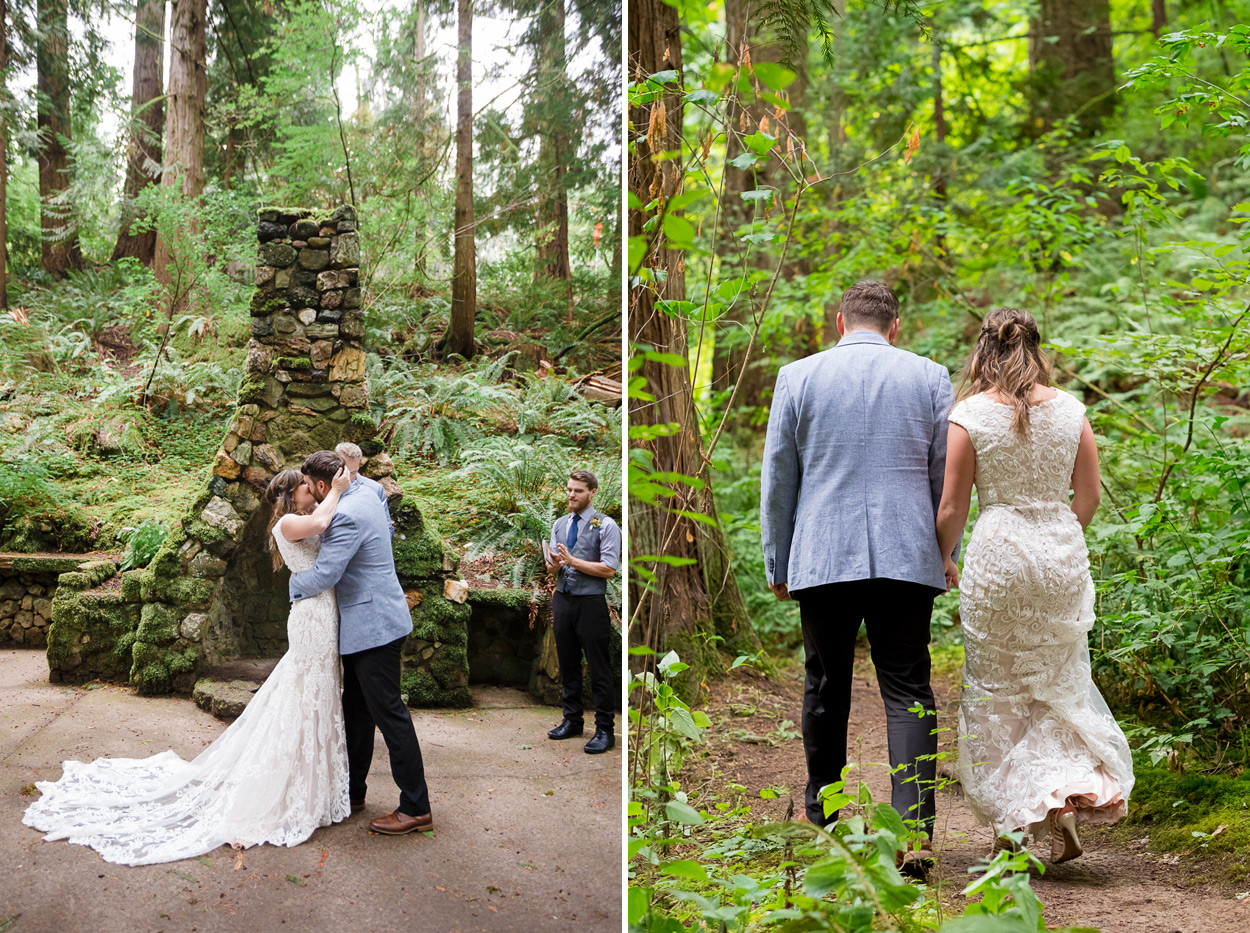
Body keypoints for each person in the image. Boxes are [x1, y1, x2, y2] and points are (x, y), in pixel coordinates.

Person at [23, 466, 354, 865]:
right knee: (306, 691)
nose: (310, 489)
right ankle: (288, 788)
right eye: (304, 485)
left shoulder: (304, 517)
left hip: (323, 611)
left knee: (316, 691)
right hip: (311, 617)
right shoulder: (288, 522)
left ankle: (312, 785)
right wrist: (337, 489)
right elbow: (321, 521)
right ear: (289, 495)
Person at [760, 280, 955, 870]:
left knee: (825, 684)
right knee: (908, 689)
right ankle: (914, 835)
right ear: (895, 327)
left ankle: (824, 821)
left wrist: (779, 559)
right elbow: (943, 475)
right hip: (907, 554)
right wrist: (943, 552)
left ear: (839, 323)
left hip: (822, 555)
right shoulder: (930, 376)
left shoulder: (798, 376)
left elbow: (779, 479)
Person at [935, 308, 1133, 863]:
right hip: (1060, 556)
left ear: (983, 352)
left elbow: (953, 505)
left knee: (997, 692)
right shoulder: (1072, 410)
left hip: (998, 556)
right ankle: (1063, 801)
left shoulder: (969, 414)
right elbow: (1087, 498)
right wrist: (1057, 543)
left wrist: (944, 556)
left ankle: (1015, 826)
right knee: (1058, 684)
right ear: (1037, 348)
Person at [289, 450, 433, 835]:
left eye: (309, 485)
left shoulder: (346, 517)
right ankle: (352, 791)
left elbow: (323, 575)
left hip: (375, 626)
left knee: (389, 714)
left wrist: (291, 585)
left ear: (322, 486)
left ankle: (416, 807)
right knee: (356, 710)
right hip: (370, 621)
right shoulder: (368, 492)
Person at [544, 469, 621, 754]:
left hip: (591, 603)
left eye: (577, 490)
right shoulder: (560, 524)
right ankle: (572, 720)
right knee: (568, 663)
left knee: (599, 667)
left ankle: (605, 730)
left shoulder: (606, 526)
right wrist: (553, 565)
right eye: (569, 489)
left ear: (592, 493)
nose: (571, 495)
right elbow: (555, 566)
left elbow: (609, 569)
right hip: (563, 600)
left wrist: (572, 560)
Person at [335, 441, 393, 537]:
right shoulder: (324, 486)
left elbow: (388, 530)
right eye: (344, 472)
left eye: (353, 473)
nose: (347, 478)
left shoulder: (375, 489)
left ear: (359, 465)